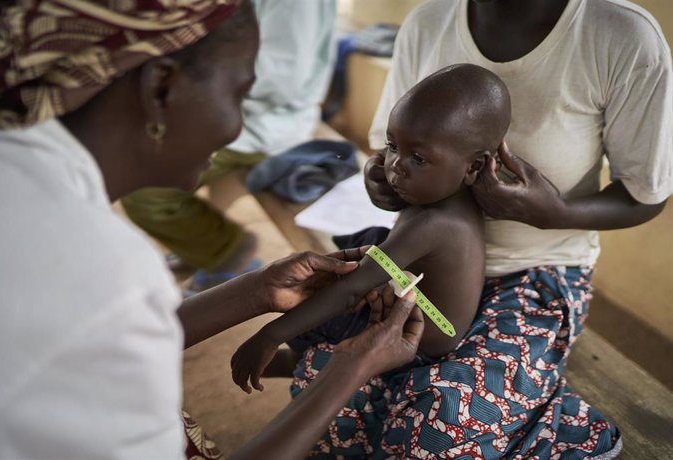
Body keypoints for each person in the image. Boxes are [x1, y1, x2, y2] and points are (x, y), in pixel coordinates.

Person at [0, 1, 424, 459]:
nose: (236, 128)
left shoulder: (13, 185)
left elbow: (84, 342)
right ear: (161, 87)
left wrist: (256, 290)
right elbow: (103, 316)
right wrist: (351, 370)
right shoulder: (106, 269)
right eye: (238, 93)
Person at [288, 0, 672, 458]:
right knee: (330, 405)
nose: (398, 164)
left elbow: (644, 195)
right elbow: (389, 145)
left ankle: (564, 431)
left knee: (433, 426)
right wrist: (380, 176)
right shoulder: (429, 22)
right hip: (421, 266)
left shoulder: (619, 35)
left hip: (535, 275)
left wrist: (552, 213)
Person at [230, 63, 510, 392]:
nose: (394, 167)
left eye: (417, 158)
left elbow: (352, 290)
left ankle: (295, 362)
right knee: (357, 250)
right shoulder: (446, 190)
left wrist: (270, 335)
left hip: (422, 338)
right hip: (415, 293)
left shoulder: (436, 222)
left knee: (316, 297)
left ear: (474, 166)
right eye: (392, 146)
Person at [120, 0, 338, 286]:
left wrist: (192, 82)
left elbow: (284, 79)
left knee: (144, 192)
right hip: (239, 112)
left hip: (262, 123)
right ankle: (203, 248)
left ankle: (229, 253)